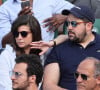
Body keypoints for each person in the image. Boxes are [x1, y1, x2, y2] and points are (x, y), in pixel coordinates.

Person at [42, 5, 100, 90]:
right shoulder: (60, 48)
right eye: (67, 23)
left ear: (88, 26)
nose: (69, 27)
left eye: (74, 23)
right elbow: (48, 85)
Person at [0, 0, 74, 49]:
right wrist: (19, 22)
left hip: (46, 54)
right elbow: (4, 43)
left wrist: (66, 17)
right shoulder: (5, 9)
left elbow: (80, 12)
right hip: (18, 57)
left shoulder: (49, 1)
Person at [0, 14, 42, 90]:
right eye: (16, 34)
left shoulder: (42, 54)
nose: (19, 38)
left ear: (34, 34)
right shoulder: (6, 55)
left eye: (24, 34)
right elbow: (5, 87)